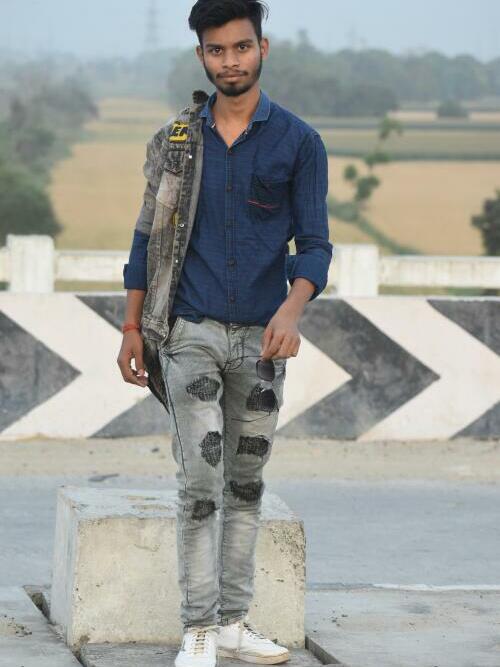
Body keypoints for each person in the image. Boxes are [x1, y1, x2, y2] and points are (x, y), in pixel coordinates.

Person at [117, 1, 333, 665]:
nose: (230, 61)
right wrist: (132, 324)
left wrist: (292, 309)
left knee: (245, 485)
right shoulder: (177, 142)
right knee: (199, 483)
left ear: (263, 48)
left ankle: (234, 622)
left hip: (263, 344)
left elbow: (315, 244)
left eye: (241, 47)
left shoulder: (299, 142)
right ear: (201, 57)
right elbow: (147, 239)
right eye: (217, 50)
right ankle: (199, 629)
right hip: (190, 333)